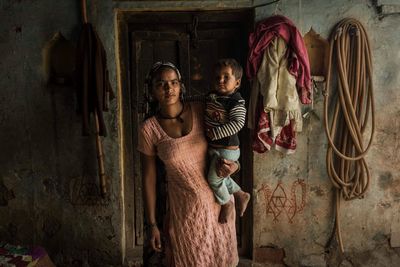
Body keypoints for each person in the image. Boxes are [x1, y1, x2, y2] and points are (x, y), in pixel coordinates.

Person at [138, 62, 239, 267]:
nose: (169, 89)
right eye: (161, 84)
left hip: (220, 204)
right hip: (187, 214)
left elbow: (228, 144)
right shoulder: (149, 129)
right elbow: (149, 178)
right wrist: (152, 225)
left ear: (181, 85)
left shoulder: (203, 110)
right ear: (152, 90)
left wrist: (235, 167)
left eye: (174, 82)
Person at [205, 58, 251, 224]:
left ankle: (226, 204)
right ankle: (240, 194)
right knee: (221, 177)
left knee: (213, 180)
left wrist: (216, 133)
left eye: (226, 77)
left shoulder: (235, 101)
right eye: (217, 77)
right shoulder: (213, 96)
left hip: (227, 149)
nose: (220, 81)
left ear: (237, 83)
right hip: (216, 148)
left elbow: (238, 123)